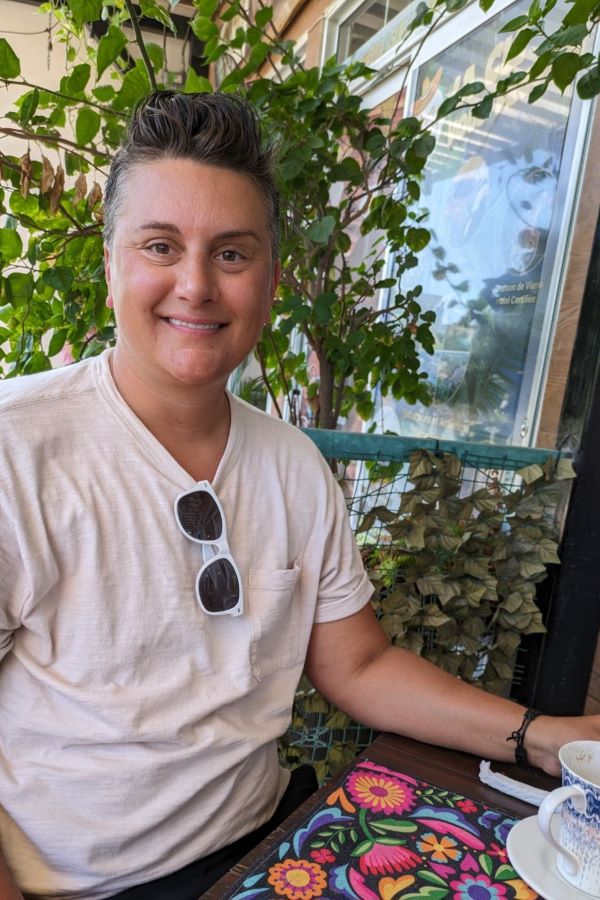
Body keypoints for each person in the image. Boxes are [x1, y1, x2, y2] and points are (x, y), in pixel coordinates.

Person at [0, 90, 598, 900]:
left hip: (270, 846)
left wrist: (541, 736)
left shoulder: (292, 464)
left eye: (232, 254)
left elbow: (360, 664)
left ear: (271, 281)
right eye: (160, 246)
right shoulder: (18, 447)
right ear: (111, 266)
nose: (195, 285)